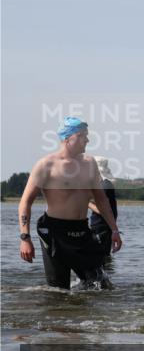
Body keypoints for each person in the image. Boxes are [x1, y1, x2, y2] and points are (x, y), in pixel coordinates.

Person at [17, 117, 122, 289]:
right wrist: (25, 238)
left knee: (102, 285)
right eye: (82, 135)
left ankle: (88, 314)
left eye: (87, 135)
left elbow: (101, 200)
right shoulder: (46, 165)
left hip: (82, 231)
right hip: (54, 233)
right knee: (59, 291)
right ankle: (64, 315)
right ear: (68, 138)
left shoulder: (89, 164)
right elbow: (25, 202)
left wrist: (114, 230)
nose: (87, 140)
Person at [88, 156, 119, 257]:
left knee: (99, 257)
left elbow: (102, 210)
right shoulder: (106, 184)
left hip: (101, 227)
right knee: (104, 258)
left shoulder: (104, 185)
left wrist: (86, 202)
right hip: (105, 227)